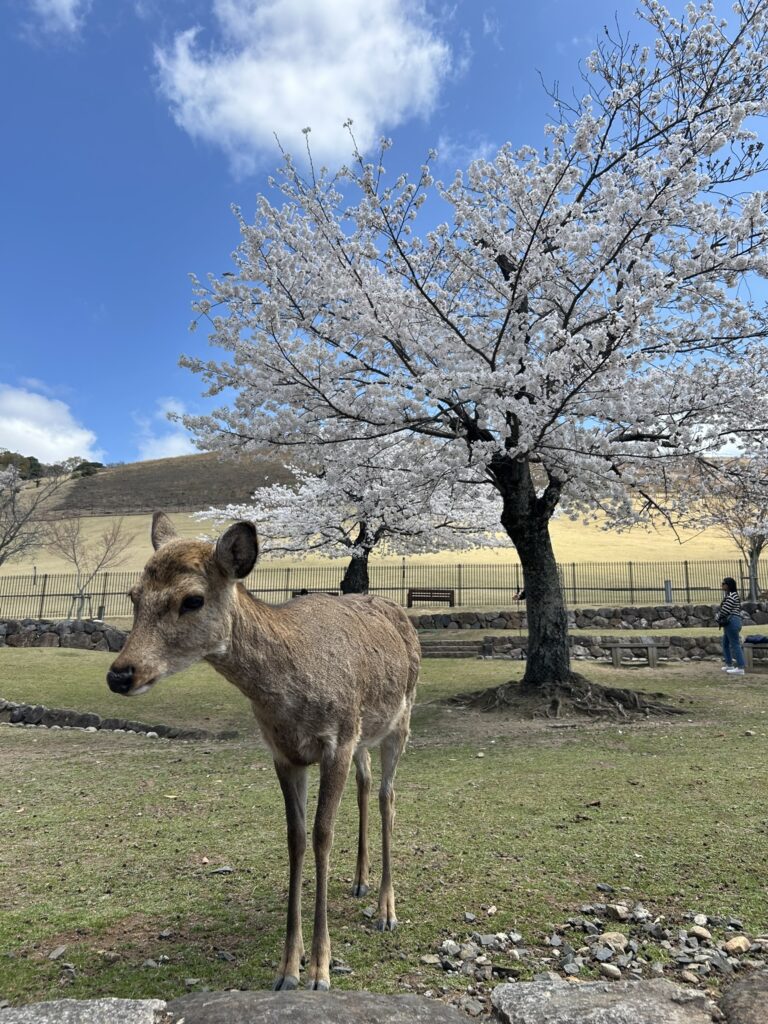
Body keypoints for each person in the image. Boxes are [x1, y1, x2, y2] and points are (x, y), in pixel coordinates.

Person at [716, 577, 746, 675]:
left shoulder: (731, 596)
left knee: (735, 644)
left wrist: (717, 616)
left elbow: (725, 610)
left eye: (723, 583)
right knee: (725, 643)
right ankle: (729, 664)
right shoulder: (731, 595)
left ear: (728, 585)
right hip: (732, 622)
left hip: (732, 622)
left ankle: (741, 667)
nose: (722, 585)